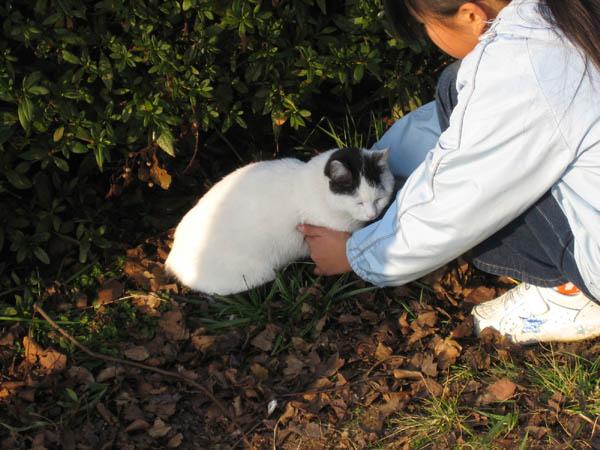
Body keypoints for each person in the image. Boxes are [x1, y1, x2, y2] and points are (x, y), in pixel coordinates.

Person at [297, 0, 600, 344]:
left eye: (425, 26)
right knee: (454, 86)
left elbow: (458, 200)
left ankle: (572, 292)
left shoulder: (523, 67)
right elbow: (461, 122)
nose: (428, 36)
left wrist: (357, 254)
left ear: (470, 15)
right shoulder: (555, 18)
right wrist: (376, 160)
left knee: (486, 190)